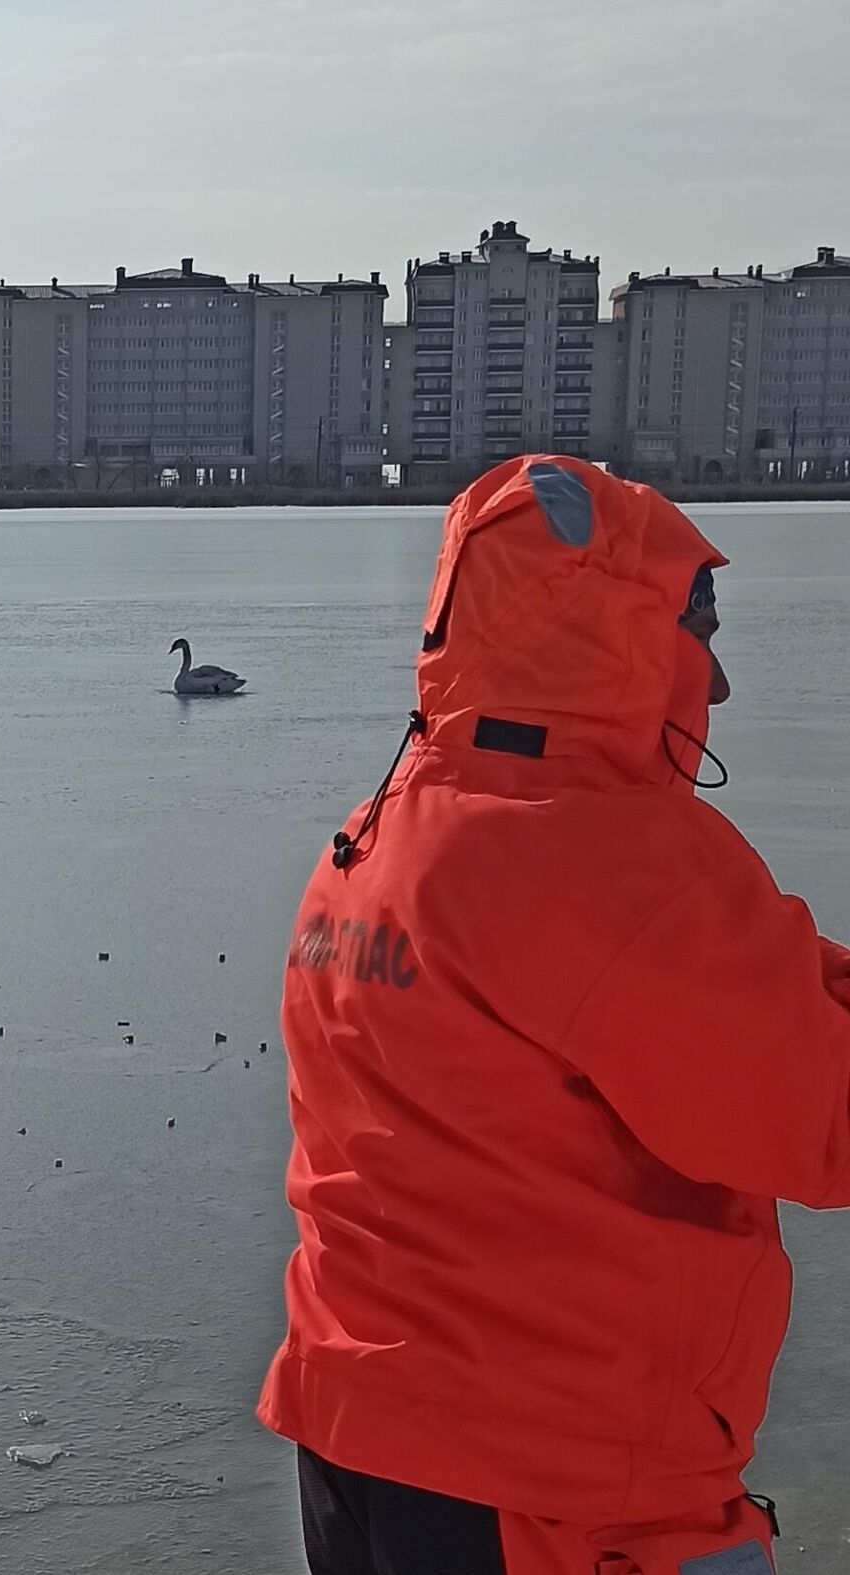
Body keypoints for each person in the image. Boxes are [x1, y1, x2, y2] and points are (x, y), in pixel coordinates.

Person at [258, 455, 850, 1575]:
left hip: (362, 1442)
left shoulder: (380, 838)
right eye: (700, 635)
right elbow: (825, 1114)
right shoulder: (611, 863)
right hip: (559, 1491)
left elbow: (681, 1003)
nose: (716, 687)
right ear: (620, 636)